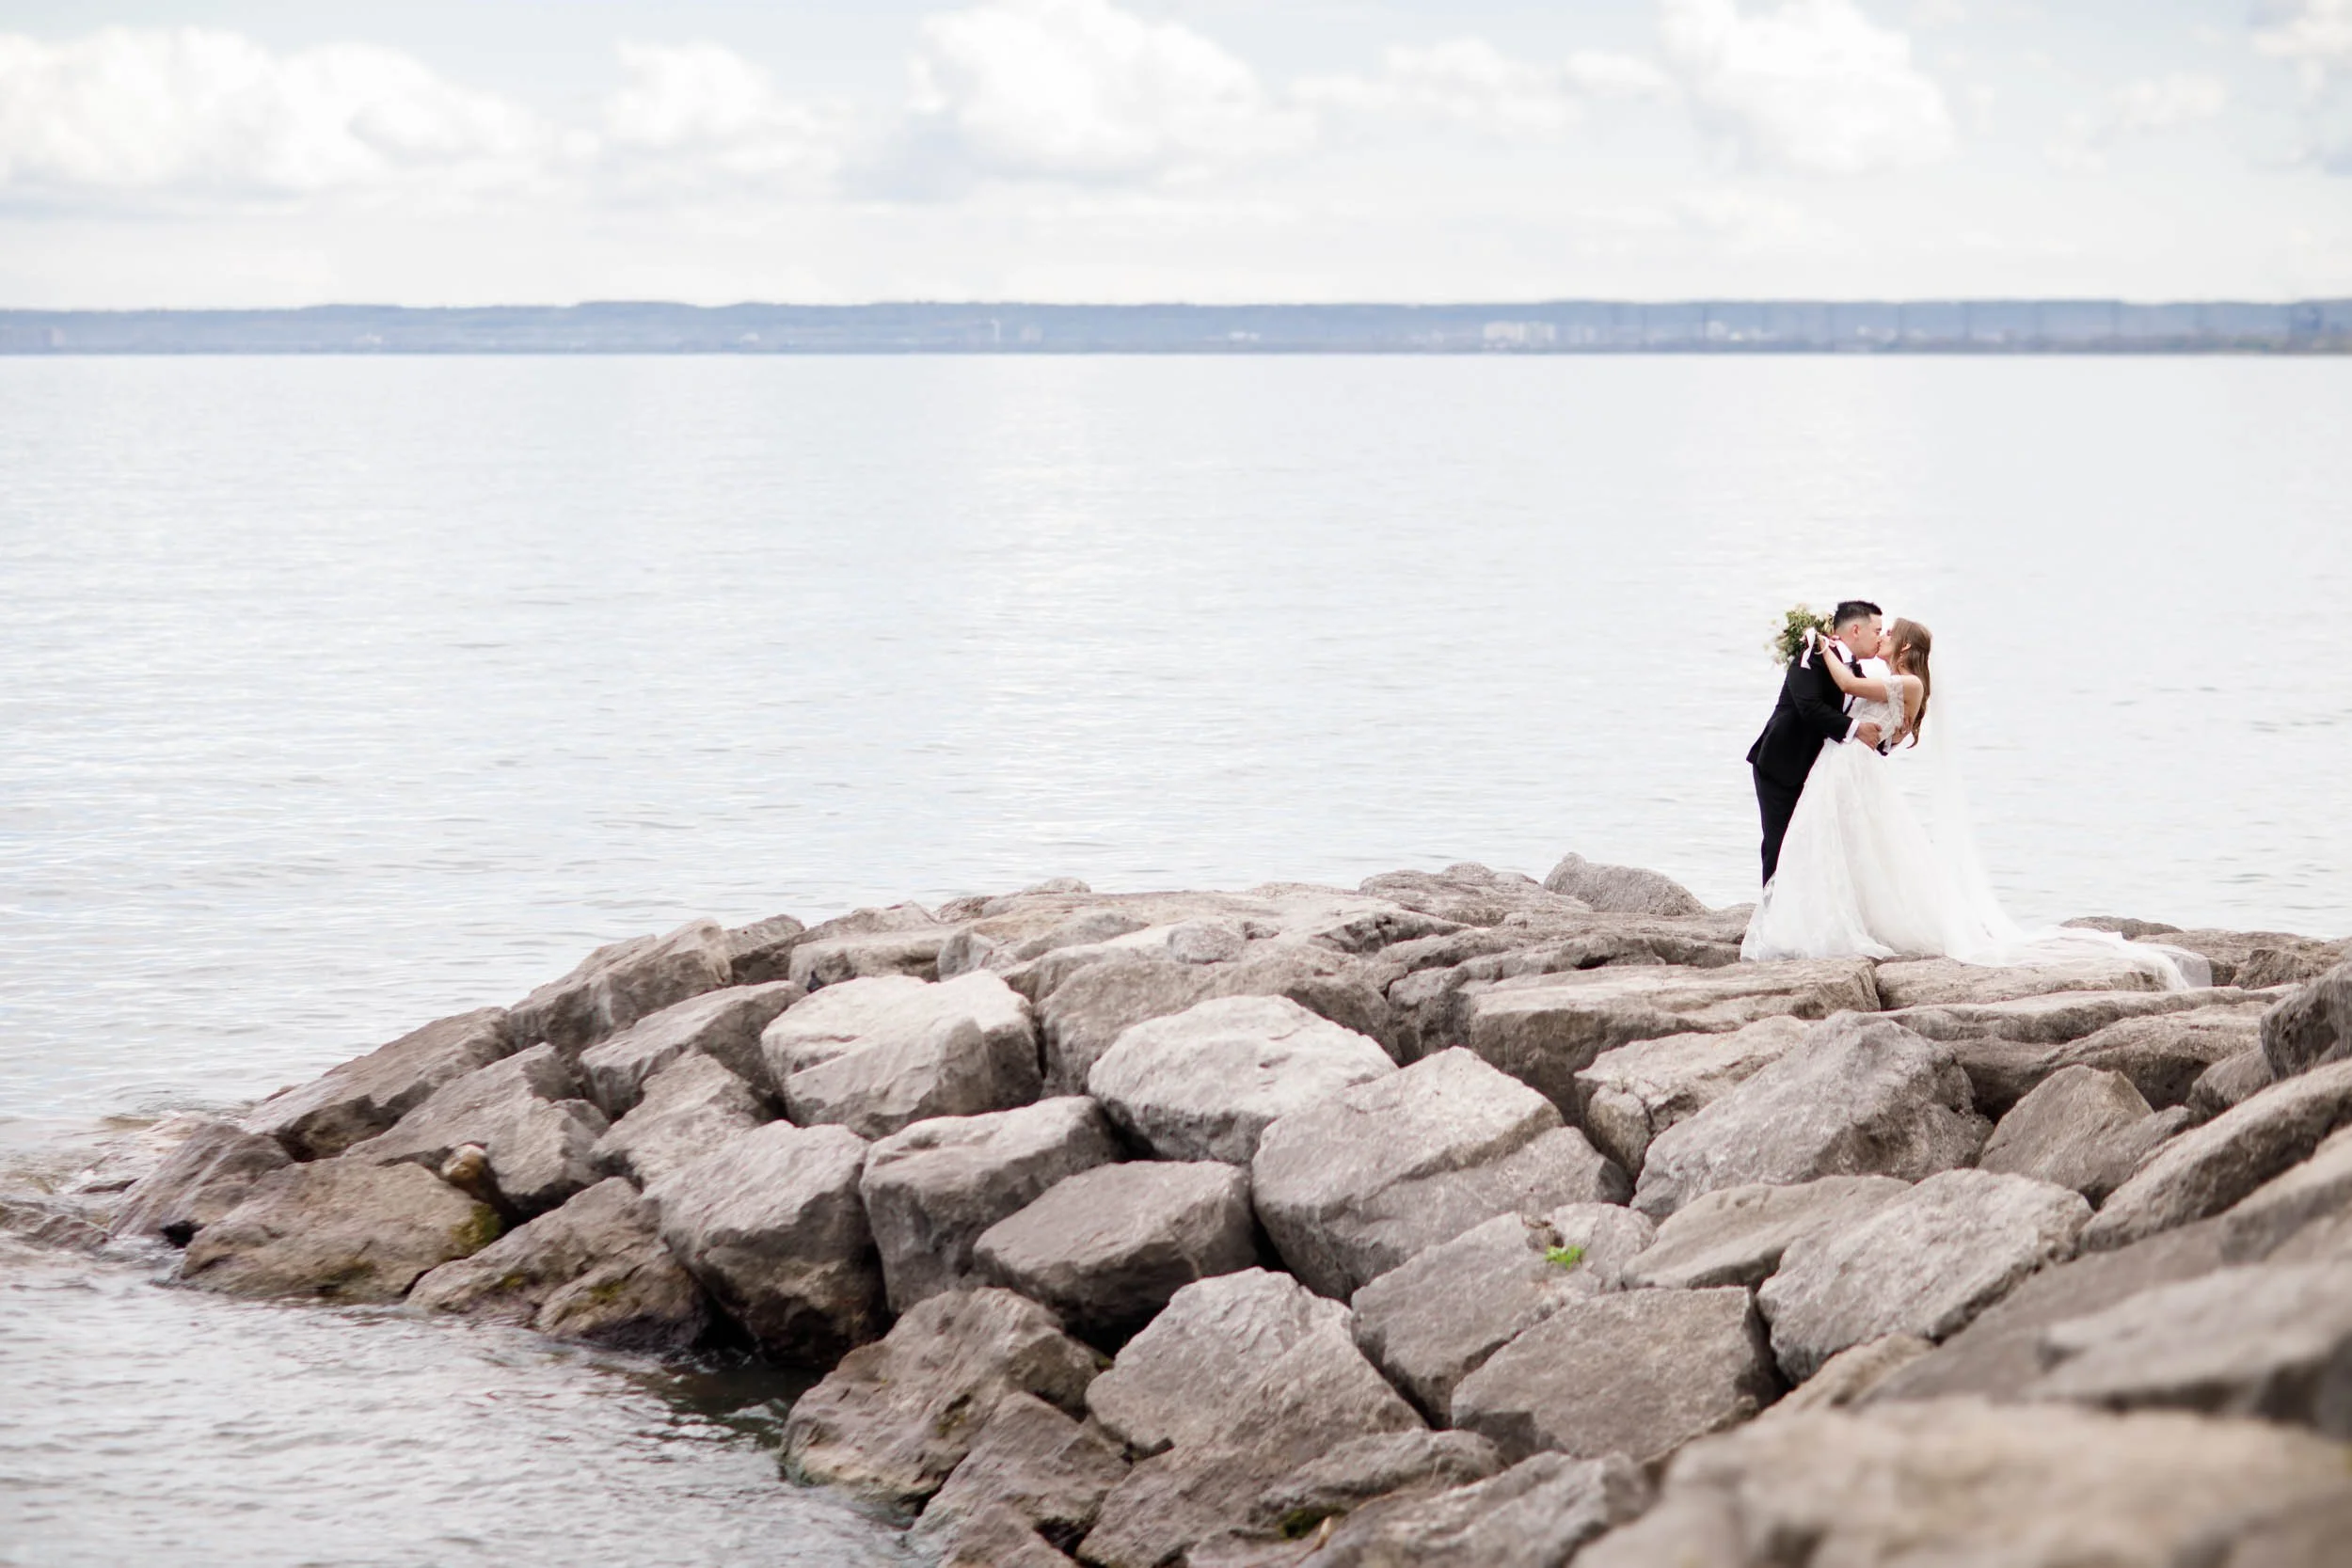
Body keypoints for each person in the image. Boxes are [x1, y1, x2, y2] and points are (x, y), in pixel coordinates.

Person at [1740, 613, 2201, 987]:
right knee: (1835, 845)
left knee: (1840, 844)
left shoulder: (1905, 685)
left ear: (1902, 647)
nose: (1880, 637)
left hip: (1852, 772)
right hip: (1844, 770)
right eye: (1876, 629)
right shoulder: (1891, 678)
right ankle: (1814, 913)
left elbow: (1847, 688)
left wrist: (1819, 645)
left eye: (1887, 633)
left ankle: (1823, 920)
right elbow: (1861, 712)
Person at [1746, 600, 1885, 886]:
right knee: (1780, 840)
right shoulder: (1811, 651)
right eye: (1877, 630)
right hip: (1782, 762)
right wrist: (1856, 729)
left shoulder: (1854, 672)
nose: (1880, 637)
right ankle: (1772, 915)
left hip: (1818, 770)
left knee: (1814, 842)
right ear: (1856, 629)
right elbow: (1808, 706)